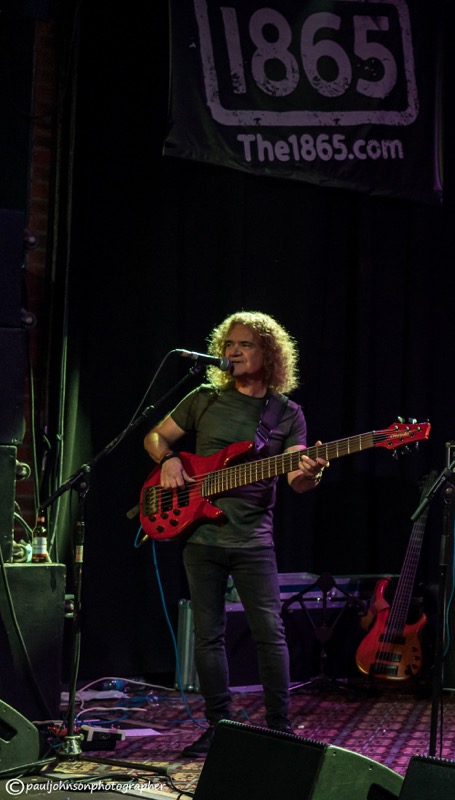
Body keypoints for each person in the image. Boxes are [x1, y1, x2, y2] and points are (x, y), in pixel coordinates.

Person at [143, 311, 327, 757]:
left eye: (246, 344)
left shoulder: (287, 413)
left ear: (270, 354)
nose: (234, 351)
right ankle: (218, 724)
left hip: (253, 541)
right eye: (229, 344)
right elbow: (155, 437)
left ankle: (279, 728)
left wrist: (312, 472)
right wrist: (168, 460)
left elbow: (296, 480)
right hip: (201, 537)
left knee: (270, 633)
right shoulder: (205, 398)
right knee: (208, 635)